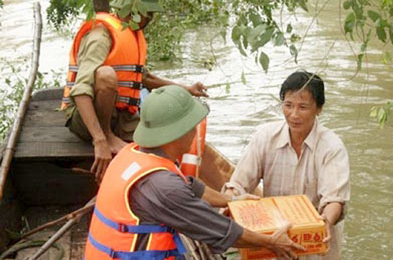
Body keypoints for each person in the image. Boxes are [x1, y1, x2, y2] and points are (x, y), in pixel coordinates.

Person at [84, 85, 305, 260]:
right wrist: (272, 242)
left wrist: (232, 201)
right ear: (176, 134)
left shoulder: (132, 154)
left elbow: (189, 185)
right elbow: (221, 231)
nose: (194, 134)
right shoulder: (163, 187)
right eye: (191, 128)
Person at [60, 0, 208, 181]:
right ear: (136, 11)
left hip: (121, 116)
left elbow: (144, 78)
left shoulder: (131, 33)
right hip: (88, 120)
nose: (151, 19)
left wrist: (187, 89)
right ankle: (108, 136)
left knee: (168, 134)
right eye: (149, 13)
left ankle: (176, 178)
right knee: (106, 75)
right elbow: (81, 90)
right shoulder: (100, 35)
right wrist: (100, 139)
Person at [223, 70, 350, 260]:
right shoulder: (265, 137)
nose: (294, 115)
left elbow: (334, 199)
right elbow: (238, 185)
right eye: (288, 105)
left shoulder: (332, 147)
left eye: (303, 107)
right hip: (273, 239)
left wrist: (325, 221)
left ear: (319, 108)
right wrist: (229, 203)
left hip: (315, 243)